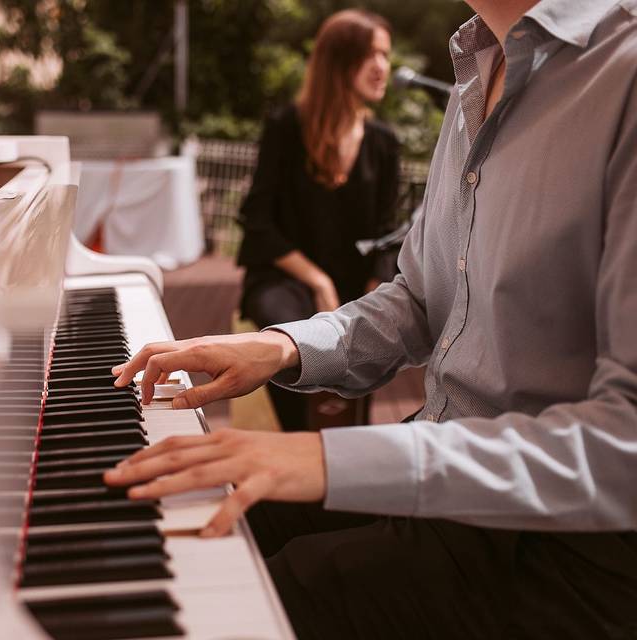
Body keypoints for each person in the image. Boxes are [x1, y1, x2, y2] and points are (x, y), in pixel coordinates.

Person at [105, 0, 637, 637]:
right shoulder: (480, 67)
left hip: (558, 539)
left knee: (211, 604)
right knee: (180, 513)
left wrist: (329, 460)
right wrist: (280, 347)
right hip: (437, 455)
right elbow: (418, 298)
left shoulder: (624, 72)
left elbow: (624, 444)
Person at [238, 9, 400, 430]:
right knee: (289, 327)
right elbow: (257, 220)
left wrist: (371, 296)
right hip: (287, 278)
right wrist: (318, 280)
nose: (383, 66)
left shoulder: (384, 143)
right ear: (338, 61)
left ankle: (341, 448)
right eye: (371, 54)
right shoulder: (286, 127)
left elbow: (387, 234)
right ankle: (296, 442)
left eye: (386, 54)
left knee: (368, 333)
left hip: (354, 282)